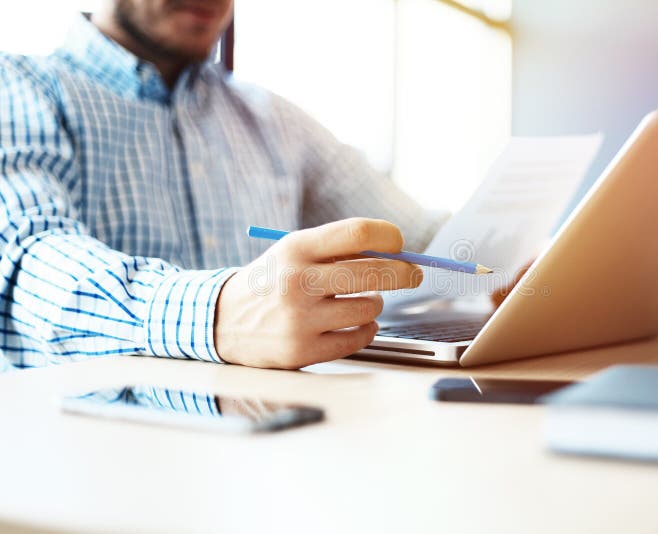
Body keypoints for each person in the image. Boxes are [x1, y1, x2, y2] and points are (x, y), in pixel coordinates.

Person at [0, 0, 447, 371]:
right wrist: (214, 314)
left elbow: (421, 236)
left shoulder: (272, 118)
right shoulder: (20, 87)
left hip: (269, 440)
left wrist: (508, 261)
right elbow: (25, 262)